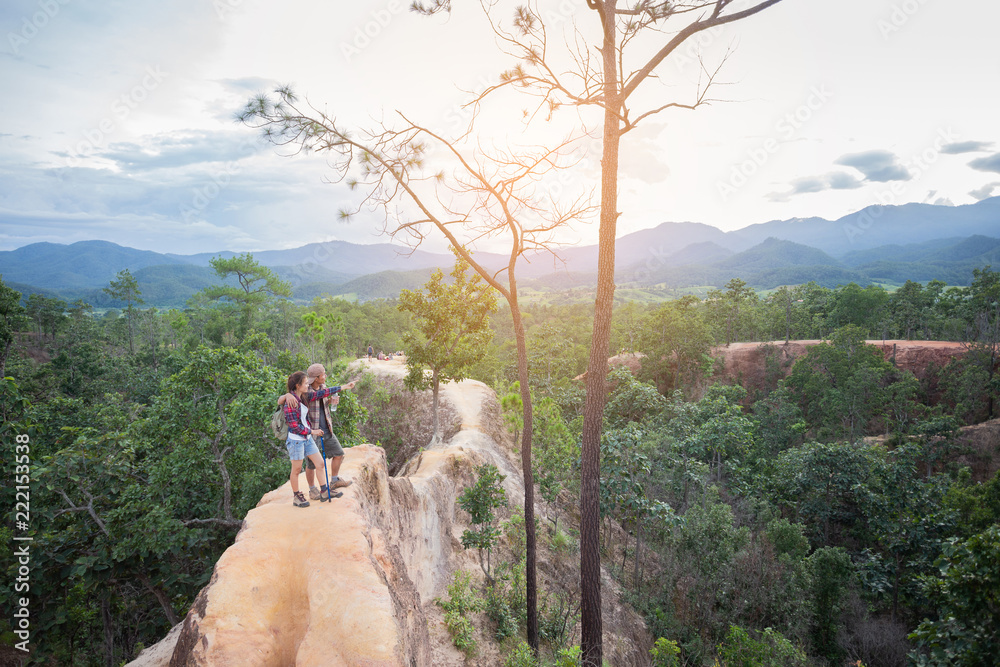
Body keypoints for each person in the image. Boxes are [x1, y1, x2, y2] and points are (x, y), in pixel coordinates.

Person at [281, 363, 356, 500]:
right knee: (305, 467)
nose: (307, 385)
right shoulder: (301, 396)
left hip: (320, 431)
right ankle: (309, 491)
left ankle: (328, 487)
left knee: (329, 459)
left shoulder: (311, 392)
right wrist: (287, 395)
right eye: (323, 374)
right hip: (305, 435)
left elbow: (323, 395)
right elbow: (294, 425)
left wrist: (335, 399)